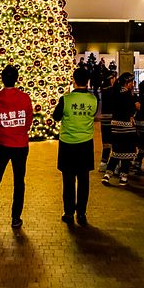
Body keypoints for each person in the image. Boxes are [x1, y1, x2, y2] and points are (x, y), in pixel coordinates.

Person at [0, 65, 33, 228]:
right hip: (20, 145)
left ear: (2, 79)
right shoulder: (25, 98)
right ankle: (16, 218)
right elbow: (29, 119)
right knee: (19, 182)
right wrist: (20, 131)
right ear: (16, 79)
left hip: (2, 144)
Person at [53, 67, 98, 224]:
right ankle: (82, 214)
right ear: (88, 81)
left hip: (67, 144)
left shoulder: (66, 99)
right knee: (84, 180)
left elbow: (56, 117)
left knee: (68, 180)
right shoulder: (93, 100)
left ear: (73, 80)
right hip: (86, 144)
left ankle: (68, 213)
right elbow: (93, 114)